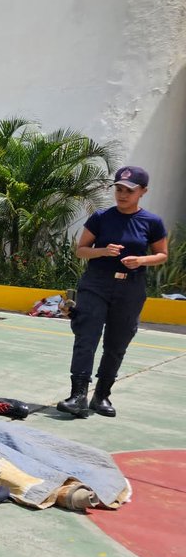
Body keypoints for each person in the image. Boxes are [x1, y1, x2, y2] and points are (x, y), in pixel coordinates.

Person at [57, 166, 168, 418]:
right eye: (118, 189)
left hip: (131, 288)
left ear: (143, 191)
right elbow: (81, 250)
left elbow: (162, 255)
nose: (122, 195)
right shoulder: (101, 217)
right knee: (86, 337)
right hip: (96, 284)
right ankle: (78, 396)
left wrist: (141, 260)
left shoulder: (152, 222)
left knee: (117, 342)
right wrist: (103, 251)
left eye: (129, 190)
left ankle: (102, 395)